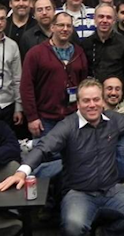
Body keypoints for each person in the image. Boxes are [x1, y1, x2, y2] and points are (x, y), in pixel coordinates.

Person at [0, 79, 124, 236]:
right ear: (78, 103)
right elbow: (44, 147)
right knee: (72, 226)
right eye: (86, 100)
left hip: (111, 190)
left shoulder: (113, 120)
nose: (92, 105)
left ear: (102, 101)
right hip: (79, 193)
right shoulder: (68, 125)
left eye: (96, 99)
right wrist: (22, 172)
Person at [20, 12, 87, 143]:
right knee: (47, 154)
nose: (65, 29)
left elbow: (83, 84)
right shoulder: (36, 53)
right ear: (52, 27)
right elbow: (26, 87)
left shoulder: (79, 53)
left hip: (72, 117)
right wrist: (32, 117)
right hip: (45, 119)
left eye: (68, 26)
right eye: (61, 25)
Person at [81, 4, 124, 97]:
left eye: (109, 17)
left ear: (114, 20)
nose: (105, 20)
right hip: (92, 96)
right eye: (101, 17)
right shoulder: (86, 44)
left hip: (116, 97)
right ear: (94, 19)